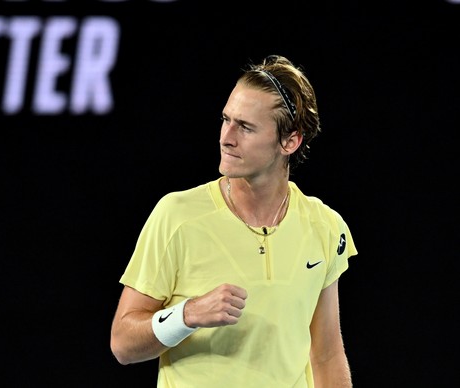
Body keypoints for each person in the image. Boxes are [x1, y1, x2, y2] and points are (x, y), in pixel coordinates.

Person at [110, 54, 357, 387]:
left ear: (290, 141)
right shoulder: (176, 215)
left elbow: (326, 354)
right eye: (226, 119)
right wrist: (187, 315)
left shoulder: (325, 227)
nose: (226, 137)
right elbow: (123, 344)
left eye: (246, 127)